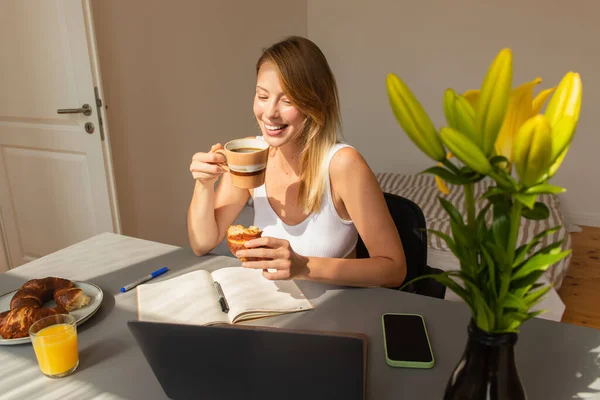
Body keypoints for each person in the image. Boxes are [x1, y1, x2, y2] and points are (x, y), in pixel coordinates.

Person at [187, 36, 406, 288]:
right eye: (262, 96)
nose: (270, 113)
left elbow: (394, 269)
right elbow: (202, 243)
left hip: (333, 314)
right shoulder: (253, 154)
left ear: (316, 103)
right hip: (267, 308)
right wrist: (204, 185)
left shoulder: (343, 165)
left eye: (288, 100)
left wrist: (304, 266)